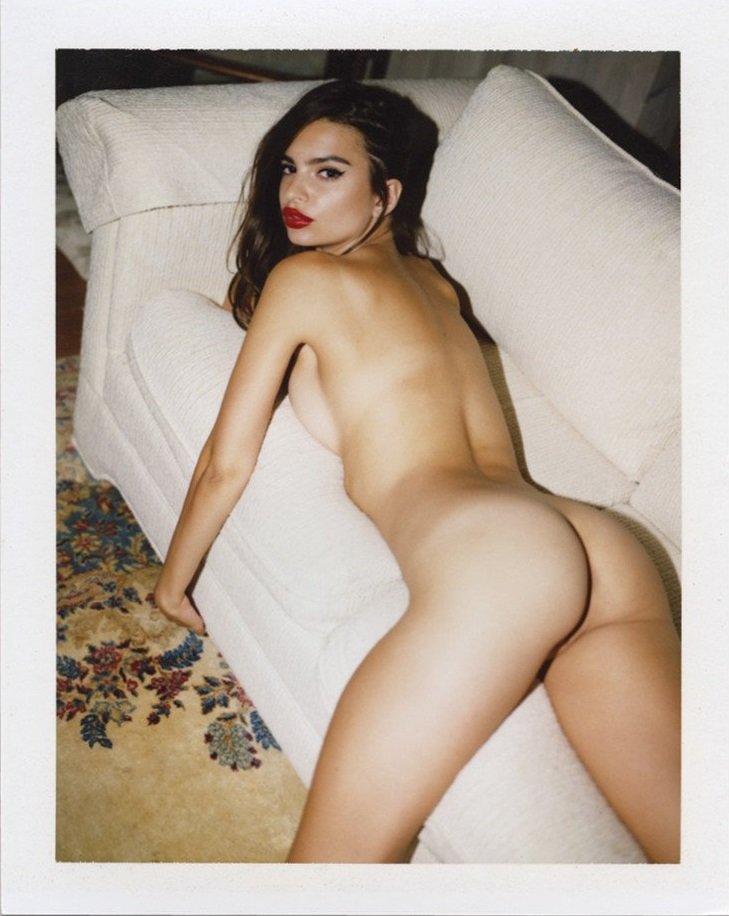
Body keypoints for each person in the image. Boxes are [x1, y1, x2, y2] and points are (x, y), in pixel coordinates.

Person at [153, 79, 681, 864]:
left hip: (500, 555)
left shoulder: (304, 281)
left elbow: (224, 463)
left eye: (328, 172)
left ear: (386, 194)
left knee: (331, 871)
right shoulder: (436, 285)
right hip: (603, 547)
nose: (295, 192)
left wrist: (171, 584)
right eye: (289, 168)